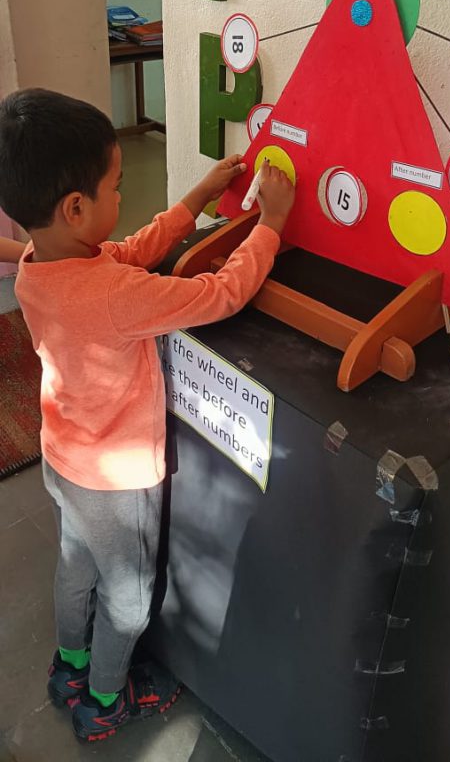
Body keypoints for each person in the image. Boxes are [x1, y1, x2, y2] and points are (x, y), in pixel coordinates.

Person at [0, 88, 295, 743]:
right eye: (115, 187)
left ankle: (69, 667)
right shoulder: (114, 297)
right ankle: (105, 699)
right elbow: (219, 294)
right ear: (76, 208)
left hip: (63, 461)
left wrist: (196, 199)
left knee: (75, 567)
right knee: (128, 597)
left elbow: (127, 250)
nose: (119, 196)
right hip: (116, 484)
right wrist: (270, 225)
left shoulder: (36, 266)